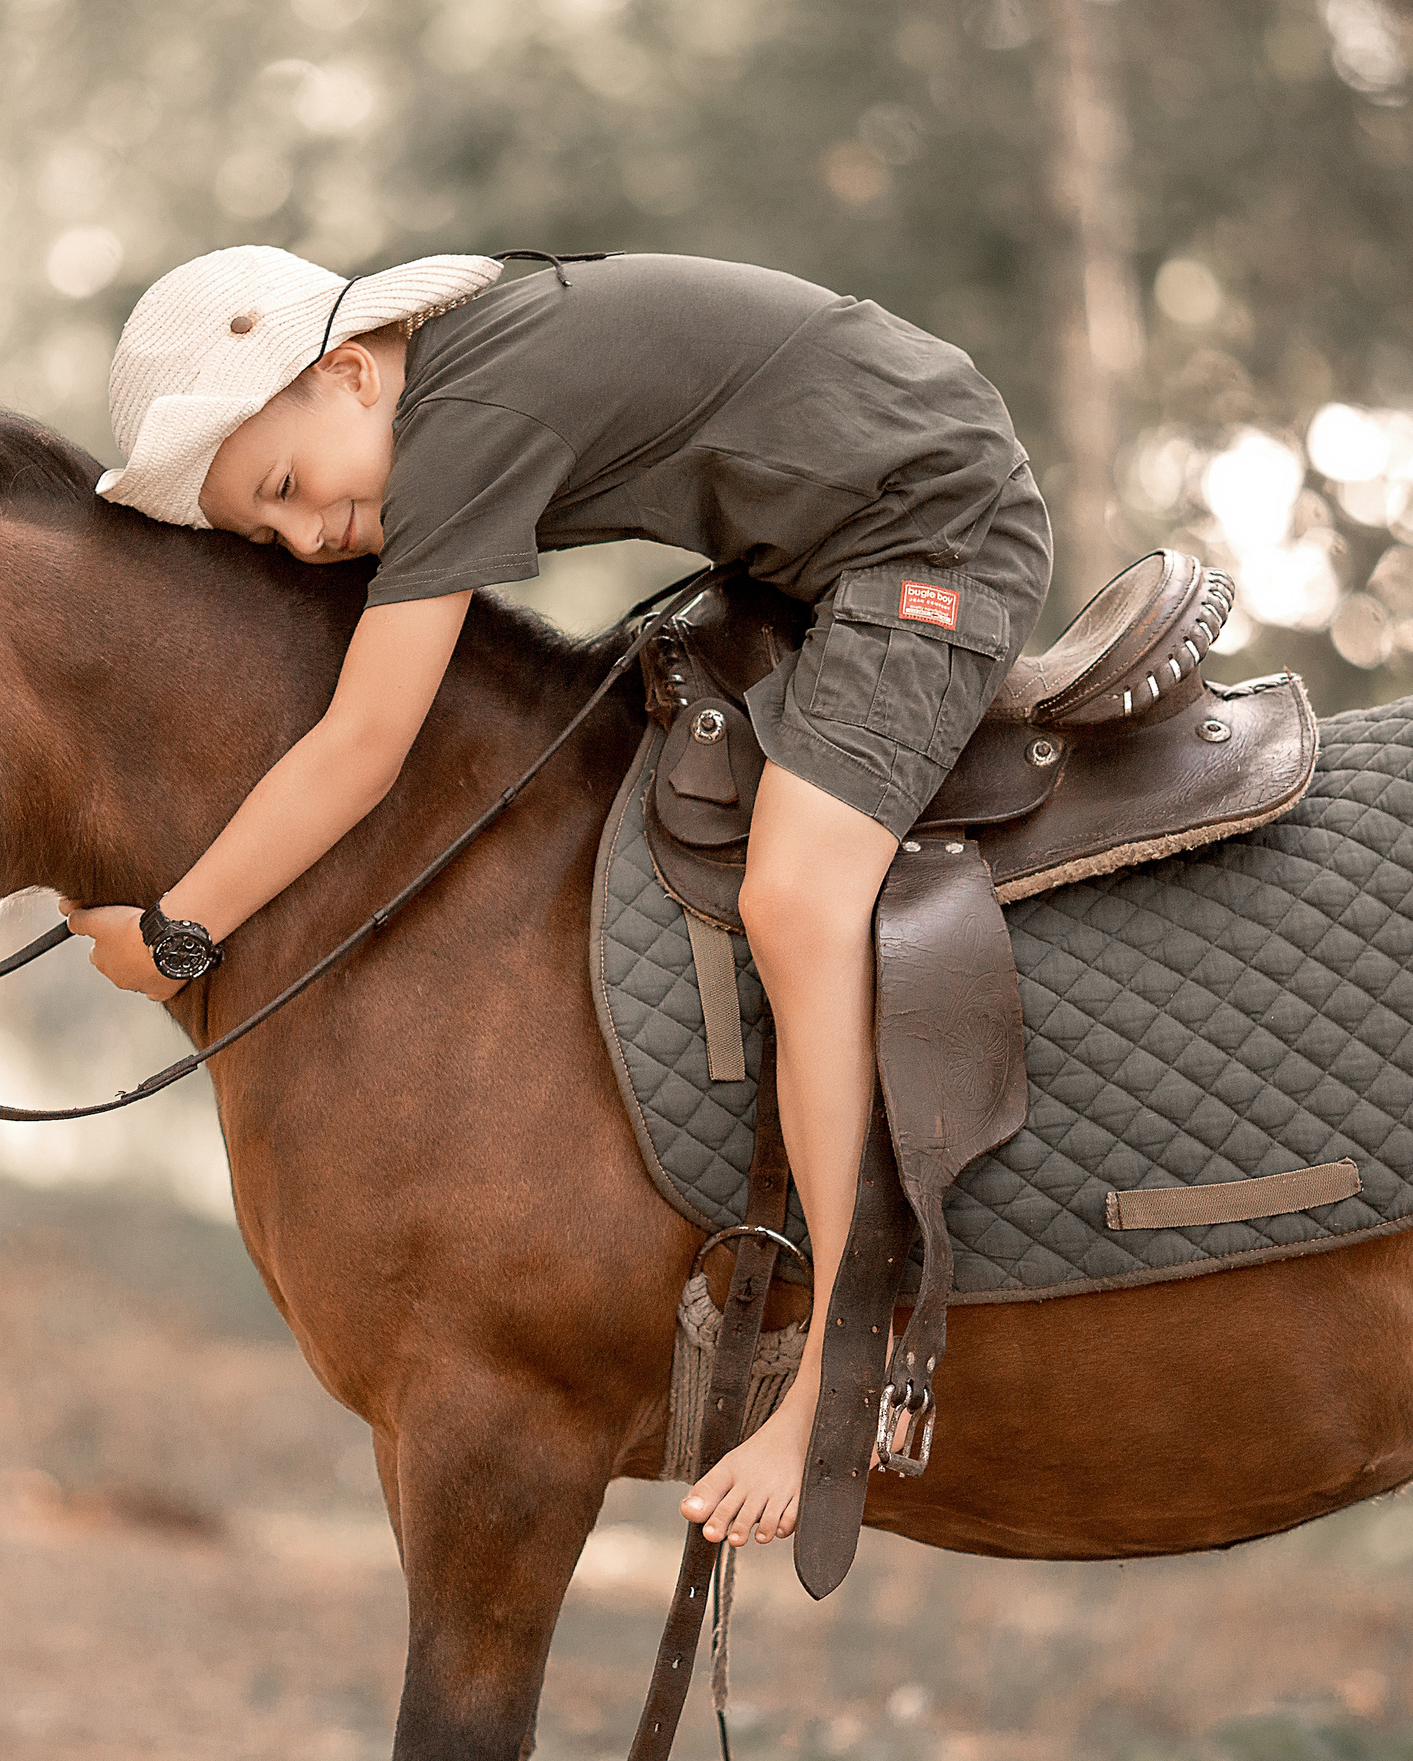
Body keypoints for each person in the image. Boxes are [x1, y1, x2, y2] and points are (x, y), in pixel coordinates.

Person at [65, 247, 1049, 1551]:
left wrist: (181, 929)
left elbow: (366, 741)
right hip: (818, 543)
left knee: (797, 898)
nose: (306, 539)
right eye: (268, 532)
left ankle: (833, 1370)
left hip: (933, 538)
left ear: (348, 372)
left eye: (288, 487)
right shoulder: (454, 380)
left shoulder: (463, 418)